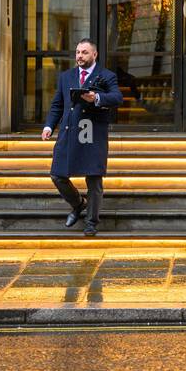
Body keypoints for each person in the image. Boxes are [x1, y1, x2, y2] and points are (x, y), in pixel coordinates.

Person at [41, 38, 123, 236]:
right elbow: (57, 105)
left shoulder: (106, 75)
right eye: (78, 52)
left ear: (94, 55)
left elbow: (117, 98)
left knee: (93, 178)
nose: (79, 56)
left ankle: (91, 222)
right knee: (57, 175)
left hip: (92, 132)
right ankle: (78, 204)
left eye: (84, 52)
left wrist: (96, 97)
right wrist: (49, 126)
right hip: (69, 131)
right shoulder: (66, 76)